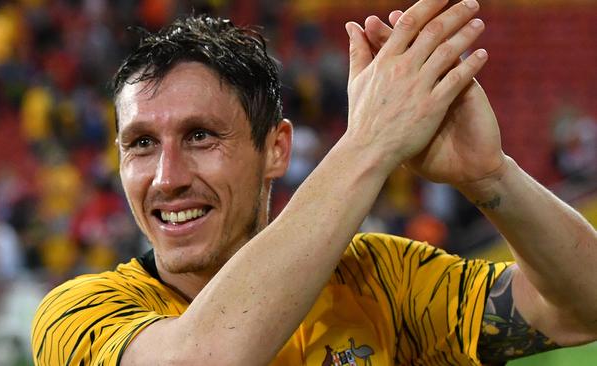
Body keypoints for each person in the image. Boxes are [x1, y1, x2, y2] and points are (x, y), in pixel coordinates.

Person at [31, 0, 597, 365]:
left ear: (276, 149)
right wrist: (368, 144)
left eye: (201, 136)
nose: (167, 178)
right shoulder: (79, 316)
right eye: (142, 144)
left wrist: (490, 174)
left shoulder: (381, 281)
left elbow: (583, 309)